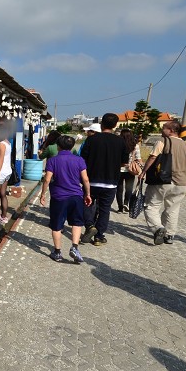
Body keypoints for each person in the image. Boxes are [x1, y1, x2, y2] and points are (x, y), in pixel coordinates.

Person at [139, 120, 186, 245]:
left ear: (171, 130)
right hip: (181, 184)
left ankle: (158, 229)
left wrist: (143, 171)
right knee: (173, 209)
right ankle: (170, 235)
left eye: (164, 127)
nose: (162, 129)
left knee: (151, 206)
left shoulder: (163, 141)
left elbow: (153, 157)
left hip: (162, 181)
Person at [38, 135, 93, 264]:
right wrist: (88, 194)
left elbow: (47, 179)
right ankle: (75, 247)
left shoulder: (53, 161)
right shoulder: (79, 160)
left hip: (59, 197)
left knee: (57, 225)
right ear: (72, 146)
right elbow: (85, 179)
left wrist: (42, 194)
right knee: (77, 223)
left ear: (58, 146)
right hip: (76, 196)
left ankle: (57, 252)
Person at [79, 113, 128, 246]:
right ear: (115, 125)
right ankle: (99, 237)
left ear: (101, 124)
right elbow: (124, 162)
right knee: (105, 209)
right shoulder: (120, 141)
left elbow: (82, 159)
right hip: (111, 182)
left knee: (86, 203)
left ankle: (90, 226)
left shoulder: (92, 140)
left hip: (91, 180)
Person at [115, 129, 141, 213]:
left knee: (119, 189)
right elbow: (139, 158)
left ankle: (120, 207)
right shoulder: (135, 146)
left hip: (118, 169)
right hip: (130, 170)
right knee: (129, 188)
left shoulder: (118, 144)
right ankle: (126, 203)